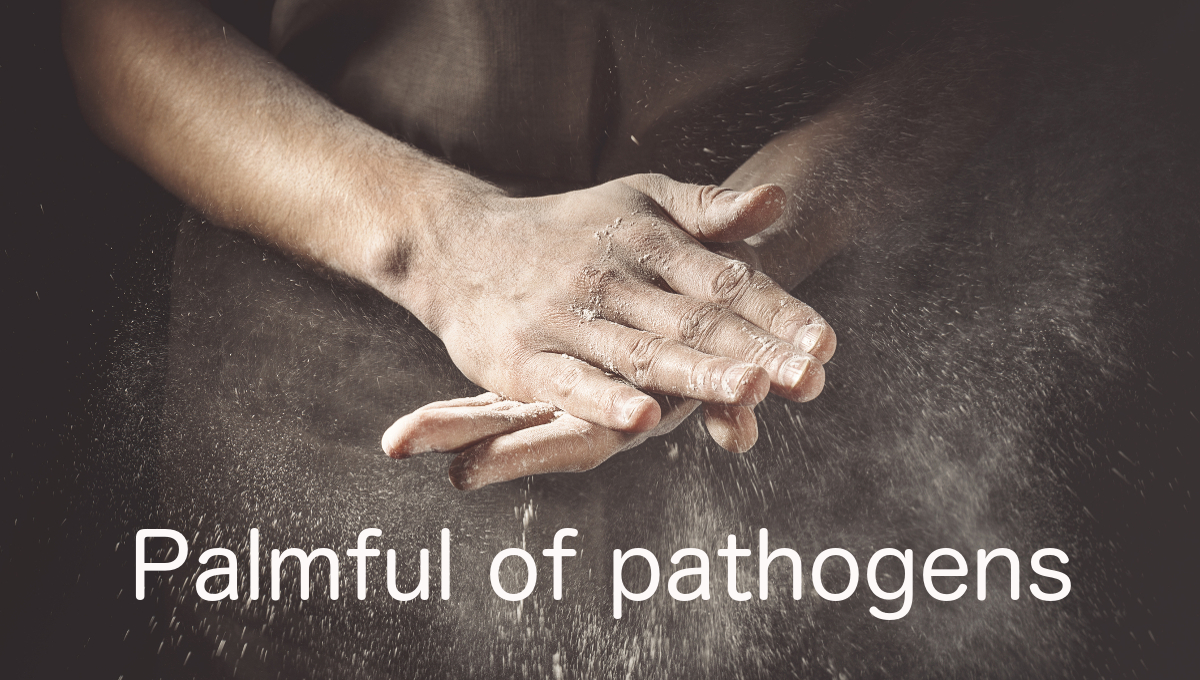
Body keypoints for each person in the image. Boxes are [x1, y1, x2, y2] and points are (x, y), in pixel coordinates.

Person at [62, 0, 1005, 489]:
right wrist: (445, 246)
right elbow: (106, 26)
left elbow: (1013, 33)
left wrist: (727, 272)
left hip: (783, 380)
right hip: (332, 360)